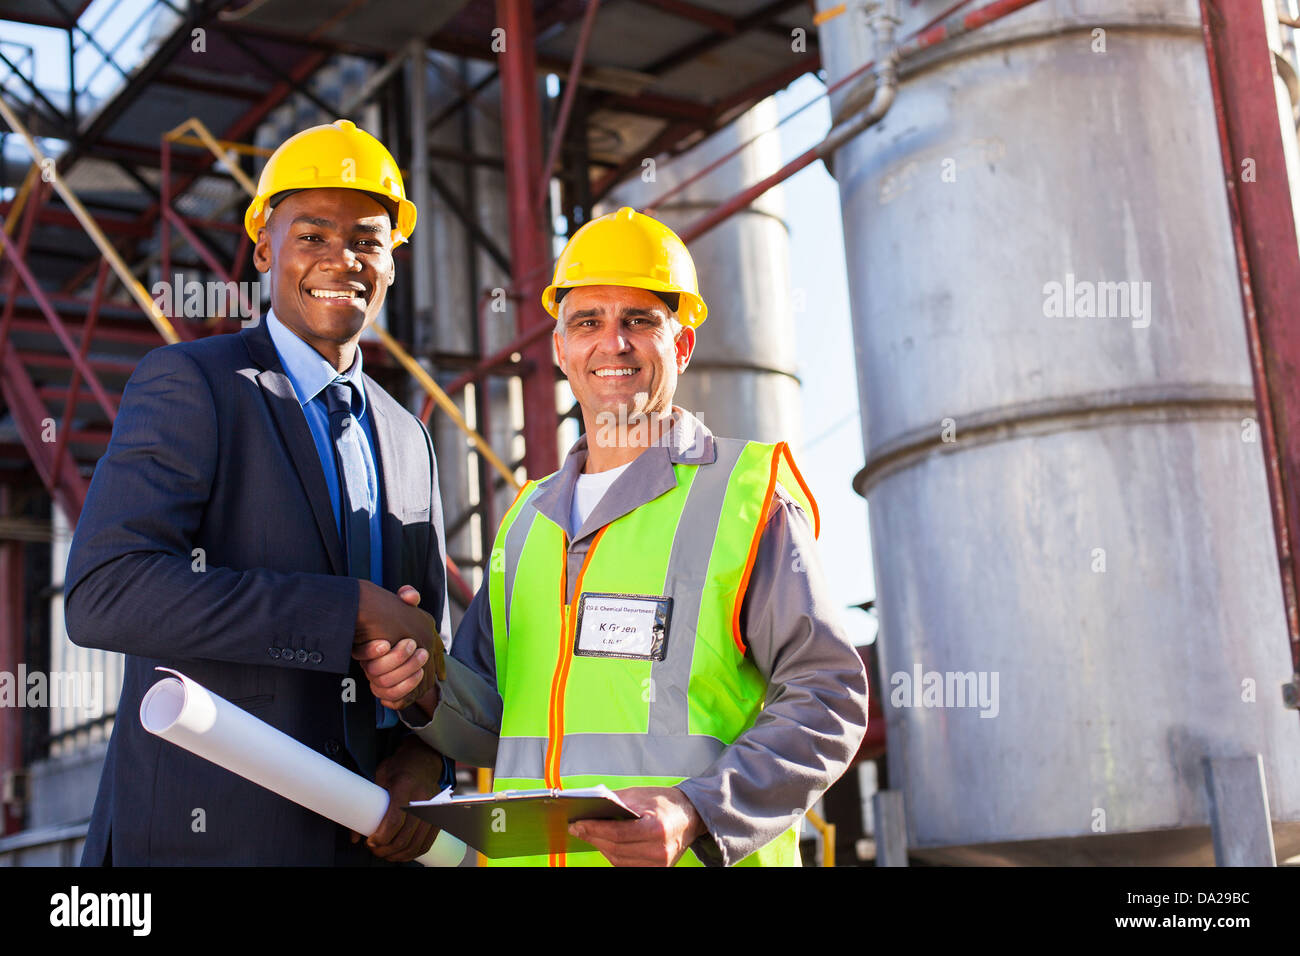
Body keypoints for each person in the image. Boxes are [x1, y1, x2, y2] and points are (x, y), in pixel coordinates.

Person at [358, 206, 869, 866]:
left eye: (639, 321)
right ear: (560, 349)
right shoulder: (527, 522)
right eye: (588, 322)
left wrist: (696, 809)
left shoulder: (745, 497)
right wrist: (422, 683)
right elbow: (490, 724)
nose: (613, 343)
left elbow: (828, 698)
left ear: (680, 345)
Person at [64, 120, 452, 866]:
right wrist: (343, 614)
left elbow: (418, 638)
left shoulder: (409, 437)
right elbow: (104, 592)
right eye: (311, 236)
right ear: (264, 249)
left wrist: (423, 761)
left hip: (367, 846)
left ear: (393, 262)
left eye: (368, 240)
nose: (343, 259)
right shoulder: (195, 385)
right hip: (203, 845)